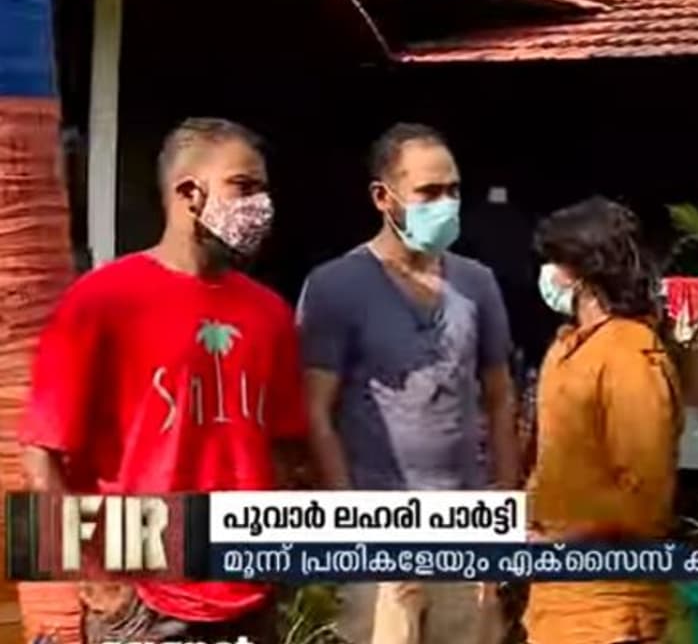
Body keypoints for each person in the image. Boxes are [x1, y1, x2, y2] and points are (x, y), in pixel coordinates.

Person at [19, 117, 307, 644]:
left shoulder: (270, 314)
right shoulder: (102, 301)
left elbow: (283, 450)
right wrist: (101, 587)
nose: (260, 206)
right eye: (243, 187)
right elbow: (41, 456)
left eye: (263, 190)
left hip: (249, 600)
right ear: (188, 193)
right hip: (144, 609)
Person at [297, 123, 517, 644]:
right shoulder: (335, 286)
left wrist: (503, 515)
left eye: (453, 191)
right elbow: (316, 411)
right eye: (428, 192)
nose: (445, 204)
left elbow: (500, 398)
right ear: (383, 197)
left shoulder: (477, 283)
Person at [524, 196, 680, 644]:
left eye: (555, 261)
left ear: (581, 270)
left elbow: (643, 494)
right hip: (556, 604)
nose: (548, 274)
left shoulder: (629, 355)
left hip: (611, 608)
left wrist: (563, 540)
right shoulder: (568, 348)